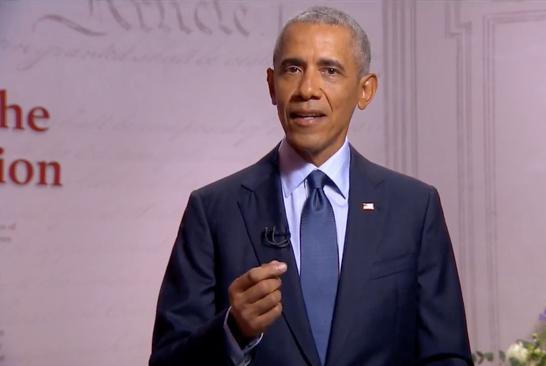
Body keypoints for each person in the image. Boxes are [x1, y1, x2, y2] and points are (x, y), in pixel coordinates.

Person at [149, 6, 472, 366]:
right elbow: (166, 361)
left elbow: (447, 357)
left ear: (365, 91)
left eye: (330, 70)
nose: (307, 89)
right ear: (272, 85)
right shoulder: (213, 210)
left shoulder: (414, 207)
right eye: (293, 69)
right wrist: (232, 331)